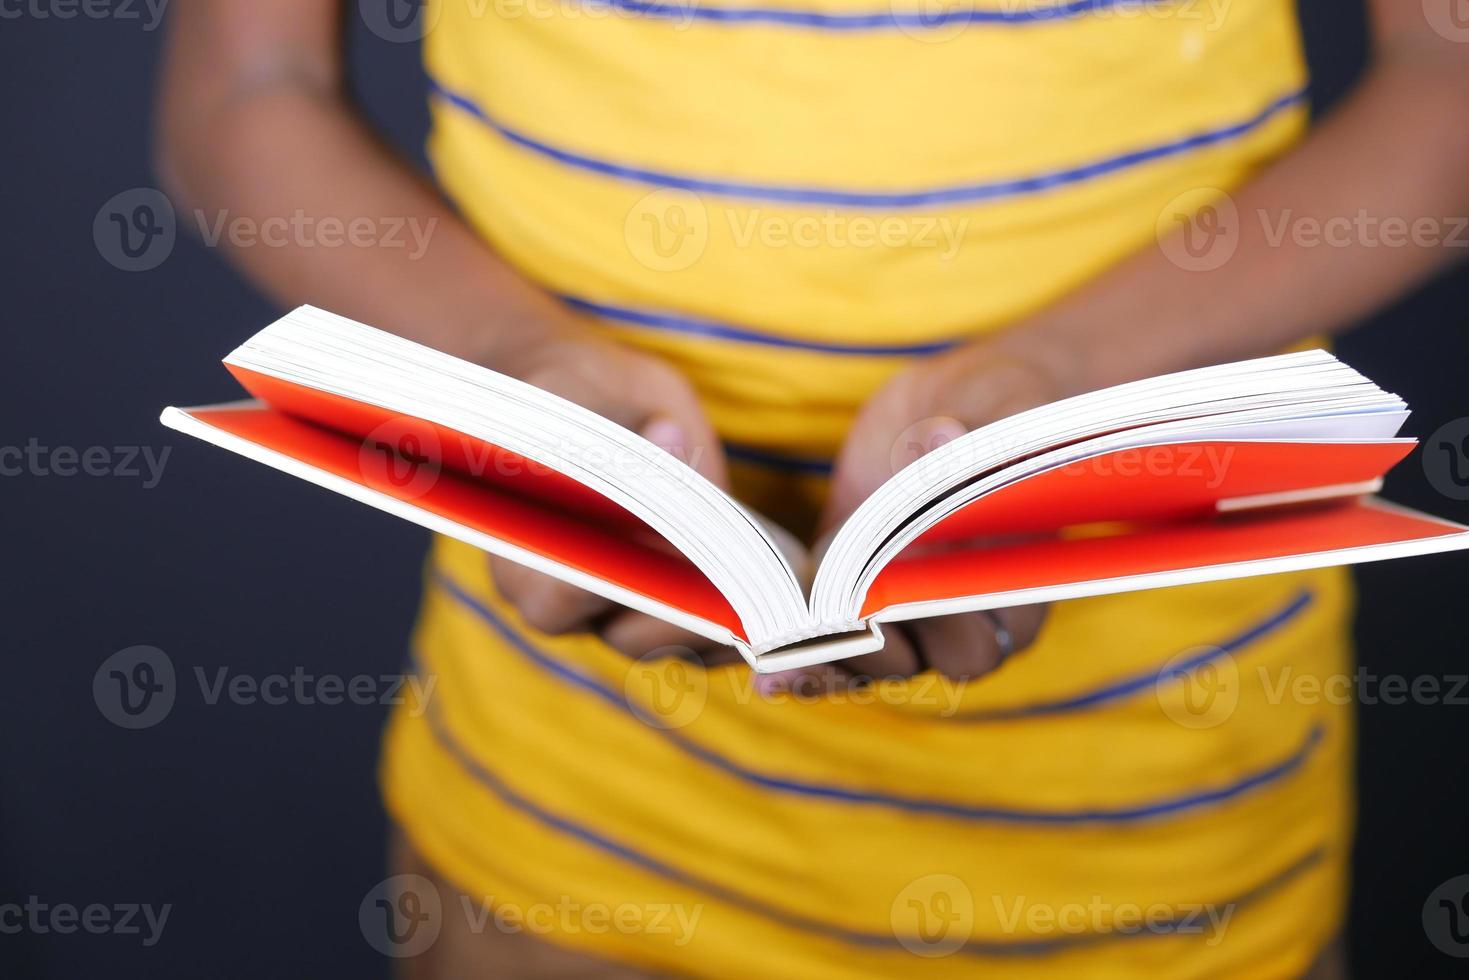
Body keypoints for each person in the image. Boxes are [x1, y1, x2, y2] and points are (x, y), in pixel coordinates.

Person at [157, 1, 1469, 975]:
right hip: (568, 834)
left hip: (1158, 843)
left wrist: (1060, 374)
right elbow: (246, 85)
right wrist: (515, 369)